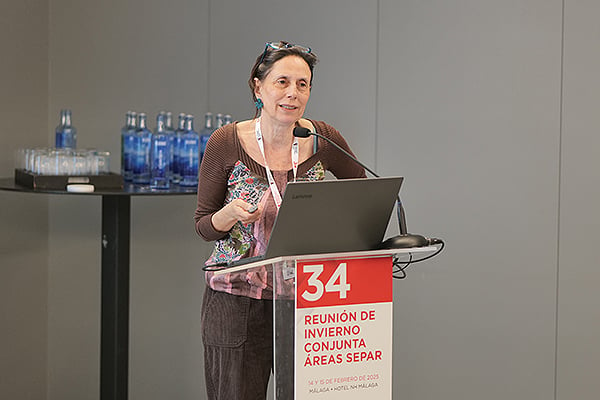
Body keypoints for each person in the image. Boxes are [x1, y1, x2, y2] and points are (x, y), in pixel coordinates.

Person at [193, 41, 366, 400]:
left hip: (307, 300)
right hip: (236, 300)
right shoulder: (226, 142)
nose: (293, 93)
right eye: (282, 82)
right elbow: (203, 225)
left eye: (302, 84)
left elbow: (362, 195)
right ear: (258, 87)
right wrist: (228, 215)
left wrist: (328, 220)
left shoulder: (321, 138)